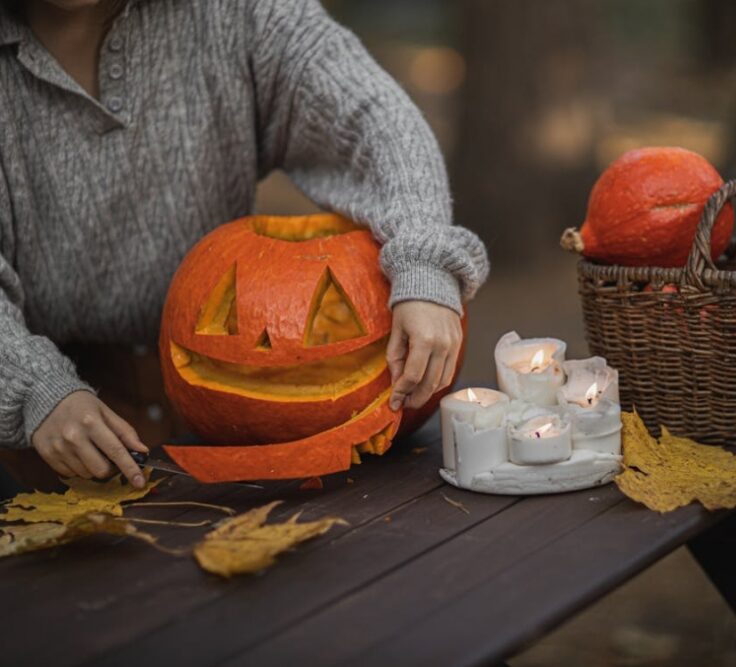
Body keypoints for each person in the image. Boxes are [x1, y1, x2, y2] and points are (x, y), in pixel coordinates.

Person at [0, 0, 488, 490]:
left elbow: (374, 117)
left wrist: (424, 258)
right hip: (38, 441)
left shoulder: (236, 11)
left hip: (226, 427)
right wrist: (33, 388)